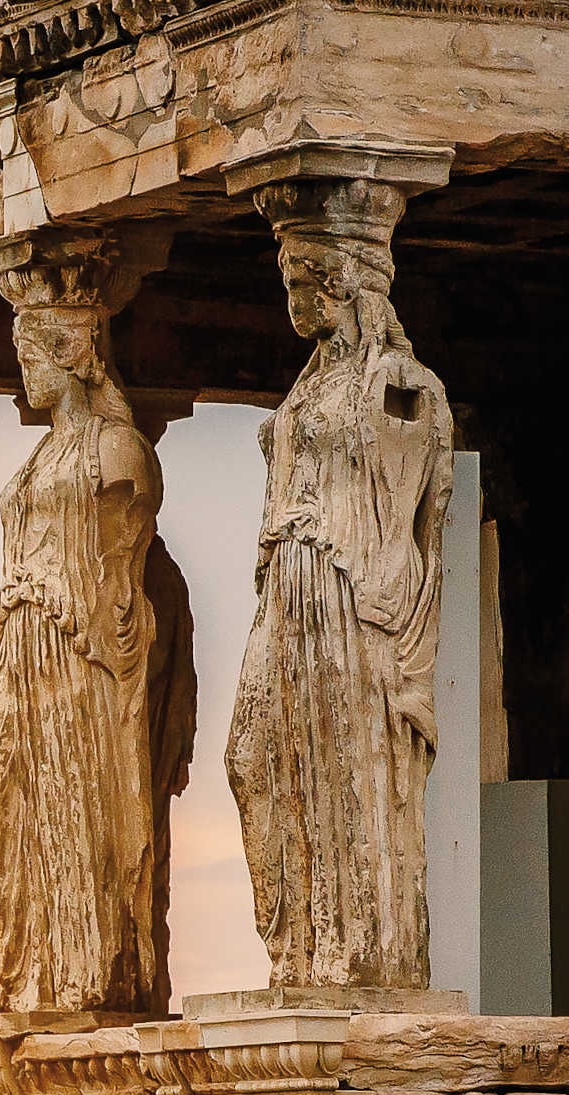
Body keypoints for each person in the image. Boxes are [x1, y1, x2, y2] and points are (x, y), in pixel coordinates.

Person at [227, 181, 454, 989]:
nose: (291, 299)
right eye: (288, 279)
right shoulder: (309, 383)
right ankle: (299, 947)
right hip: (287, 590)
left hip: (349, 595)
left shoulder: (400, 384)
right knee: (253, 757)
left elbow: (414, 511)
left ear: (345, 283)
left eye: (302, 281)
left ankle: (358, 953)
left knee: (348, 766)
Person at [0, 266, 165, 1014]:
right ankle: (30, 971)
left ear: (74, 356)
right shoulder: (39, 459)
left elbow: (123, 574)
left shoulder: (116, 453)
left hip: (77, 653)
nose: (25, 373)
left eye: (36, 358)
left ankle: (86, 973)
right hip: (18, 651)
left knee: (73, 807)